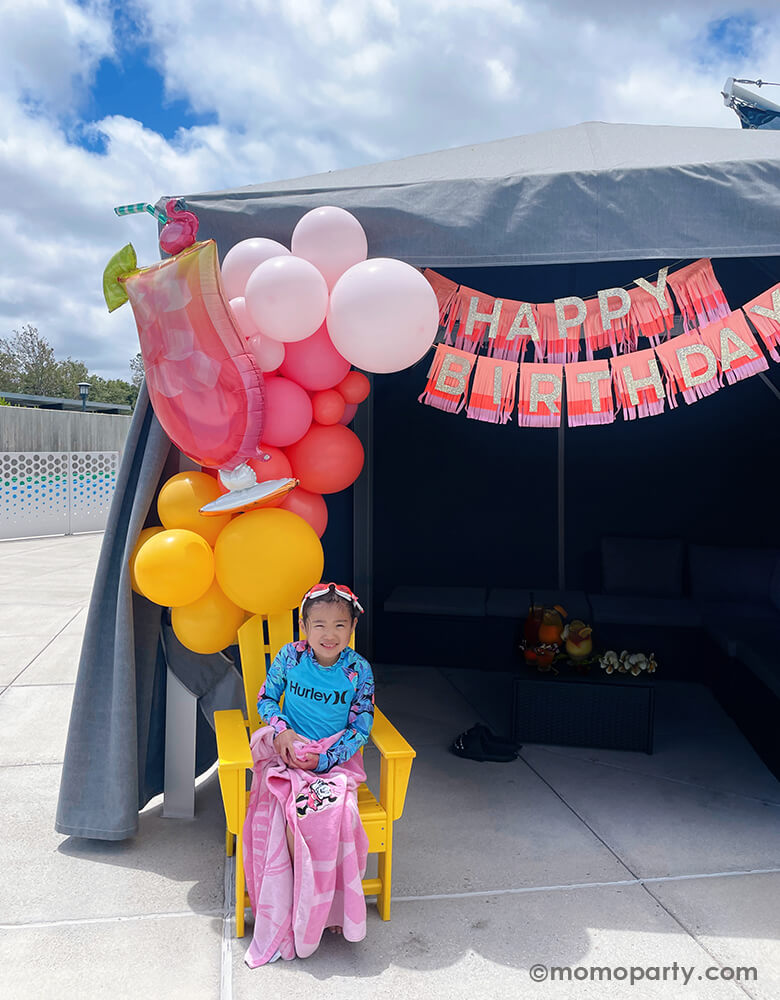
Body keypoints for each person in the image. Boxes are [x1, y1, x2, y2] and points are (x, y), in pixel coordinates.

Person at [244, 582, 375, 964]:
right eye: (319, 625)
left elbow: (361, 725)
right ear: (304, 627)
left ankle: (330, 909)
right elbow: (266, 698)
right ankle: (294, 904)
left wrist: (327, 759)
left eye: (339, 625)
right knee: (289, 817)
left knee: (341, 817)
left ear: (352, 627)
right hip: (289, 748)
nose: (329, 634)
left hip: (334, 760)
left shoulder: (358, 671)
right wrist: (282, 730)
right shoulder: (289, 658)